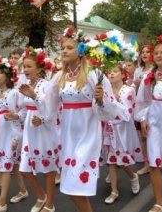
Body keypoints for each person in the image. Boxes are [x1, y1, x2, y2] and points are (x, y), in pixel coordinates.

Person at [48, 28, 122, 212]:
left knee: (75, 185)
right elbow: (48, 105)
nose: (64, 51)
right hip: (68, 137)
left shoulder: (93, 75)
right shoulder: (59, 76)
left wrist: (100, 100)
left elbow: (109, 111)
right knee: (71, 188)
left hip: (87, 135)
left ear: (80, 51)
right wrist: (33, 97)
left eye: (69, 48)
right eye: (63, 48)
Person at [17, 47, 59, 212]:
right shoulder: (25, 85)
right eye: (24, 66)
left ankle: (50, 204)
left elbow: (51, 109)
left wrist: (35, 97)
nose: (25, 70)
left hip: (44, 130)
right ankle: (41, 196)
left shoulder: (46, 85)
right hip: (30, 129)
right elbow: (25, 108)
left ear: (39, 68)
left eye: (29, 66)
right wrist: (17, 115)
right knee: (25, 169)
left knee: (48, 169)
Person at [0, 57, 28, 212]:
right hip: (0, 133)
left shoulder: (14, 93)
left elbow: (24, 110)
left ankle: (2, 202)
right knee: (13, 164)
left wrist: (16, 119)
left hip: (12, 132)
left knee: (5, 166)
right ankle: (23, 190)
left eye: (0, 73)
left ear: (8, 76)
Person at [135, 35, 162, 212]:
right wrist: (144, 118)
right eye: (157, 52)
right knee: (154, 163)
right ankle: (159, 203)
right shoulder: (150, 76)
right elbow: (144, 101)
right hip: (155, 124)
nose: (159, 55)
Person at [102, 63, 141, 204]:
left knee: (123, 160)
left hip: (122, 130)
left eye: (115, 71)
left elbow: (127, 114)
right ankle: (114, 191)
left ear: (122, 74)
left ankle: (133, 176)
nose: (111, 74)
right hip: (109, 129)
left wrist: (114, 104)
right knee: (111, 160)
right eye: (109, 72)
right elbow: (105, 111)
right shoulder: (106, 91)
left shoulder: (128, 90)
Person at [133, 45, 155, 176]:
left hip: (153, 106)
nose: (145, 54)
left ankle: (157, 161)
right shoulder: (138, 70)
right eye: (143, 52)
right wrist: (135, 84)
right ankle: (147, 164)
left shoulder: (155, 70)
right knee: (143, 136)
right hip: (141, 107)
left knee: (155, 136)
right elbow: (134, 89)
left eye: (148, 52)